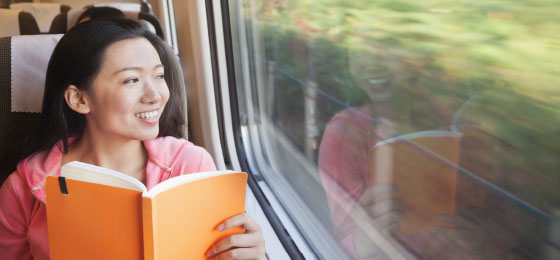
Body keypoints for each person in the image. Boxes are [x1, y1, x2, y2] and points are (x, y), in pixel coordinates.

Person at [0, 18, 266, 260]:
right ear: (79, 99)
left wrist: (247, 253)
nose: (156, 95)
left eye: (159, 76)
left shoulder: (191, 165)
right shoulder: (22, 189)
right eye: (131, 80)